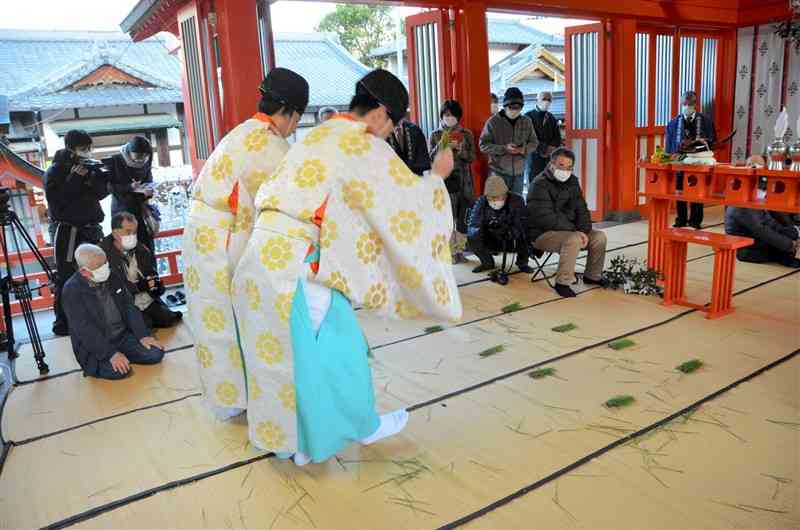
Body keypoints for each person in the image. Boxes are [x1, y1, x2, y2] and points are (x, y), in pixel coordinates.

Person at [231, 69, 462, 466]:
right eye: (395, 123)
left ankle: (299, 445)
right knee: (339, 351)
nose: (391, 132)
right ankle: (360, 426)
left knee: (284, 356)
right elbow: (405, 206)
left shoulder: (319, 134)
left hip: (261, 254)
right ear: (381, 114)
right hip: (298, 262)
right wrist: (437, 179)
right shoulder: (364, 143)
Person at [183, 67, 310, 418]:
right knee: (246, 317)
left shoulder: (240, 133)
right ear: (290, 113)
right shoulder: (272, 145)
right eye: (297, 119)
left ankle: (230, 398)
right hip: (226, 238)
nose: (295, 127)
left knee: (214, 322)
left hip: (198, 234)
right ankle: (253, 399)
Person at [62, 244, 164, 379]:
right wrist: (110, 353)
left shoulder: (112, 275)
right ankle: (116, 358)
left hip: (122, 336)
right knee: (120, 371)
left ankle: (123, 355)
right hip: (97, 344)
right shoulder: (72, 290)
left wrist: (142, 335)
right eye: (99, 267)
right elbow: (84, 329)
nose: (105, 269)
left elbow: (129, 307)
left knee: (155, 354)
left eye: (105, 263)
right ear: (84, 272)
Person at [45, 129, 108, 336]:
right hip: (68, 230)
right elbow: (57, 203)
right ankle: (63, 323)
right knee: (66, 277)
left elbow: (100, 194)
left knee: (99, 270)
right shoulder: (54, 171)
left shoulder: (89, 166)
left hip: (92, 227)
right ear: (71, 149)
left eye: (89, 148)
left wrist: (99, 176)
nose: (87, 152)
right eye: (83, 149)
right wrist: (74, 179)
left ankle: (101, 315)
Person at [527, 148, 608, 298]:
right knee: (574, 239)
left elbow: (581, 208)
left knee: (599, 237)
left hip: (569, 229)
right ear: (551, 164)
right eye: (561, 165)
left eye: (569, 167)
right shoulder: (539, 184)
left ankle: (592, 276)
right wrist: (575, 232)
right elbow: (546, 218)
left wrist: (584, 230)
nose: (565, 170)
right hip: (542, 233)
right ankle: (562, 283)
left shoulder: (572, 181)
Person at [101, 212, 183, 330]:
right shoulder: (102, 253)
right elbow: (106, 287)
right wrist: (138, 287)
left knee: (167, 319)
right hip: (119, 303)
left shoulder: (142, 249)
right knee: (142, 326)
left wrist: (157, 286)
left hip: (144, 300)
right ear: (115, 233)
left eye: (134, 232)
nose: (132, 236)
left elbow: (151, 274)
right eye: (128, 232)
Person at [429, 100, 476, 263]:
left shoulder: (467, 134)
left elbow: (472, 157)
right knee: (447, 217)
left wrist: (461, 150)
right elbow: (429, 159)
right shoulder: (435, 134)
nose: (450, 118)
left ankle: (460, 250)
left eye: (453, 115)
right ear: (442, 116)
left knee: (463, 216)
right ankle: (449, 251)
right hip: (445, 181)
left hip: (464, 181)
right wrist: (444, 145)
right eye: (447, 115)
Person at [665, 91, 716, 229]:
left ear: (695, 105)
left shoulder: (706, 122)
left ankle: (695, 220)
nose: (686, 106)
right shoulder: (673, 123)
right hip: (681, 162)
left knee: (697, 192)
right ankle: (681, 219)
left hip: (698, 163)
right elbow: (669, 147)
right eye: (684, 104)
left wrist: (702, 143)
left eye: (690, 104)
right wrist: (670, 158)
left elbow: (712, 143)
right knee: (679, 190)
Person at [106, 136, 158, 262]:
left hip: (141, 209)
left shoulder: (147, 160)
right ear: (129, 152)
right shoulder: (115, 160)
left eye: (144, 157)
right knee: (129, 246)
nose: (140, 160)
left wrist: (148, 192)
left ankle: (151, 277)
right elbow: (109, 187)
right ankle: (132, 278)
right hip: (123, 210)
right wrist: (129, 187)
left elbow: (148, 180)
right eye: (137, 157)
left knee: (147, 247)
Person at [467, 175, 532, 274]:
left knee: (527, 233)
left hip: (511, 237)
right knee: (472, 236)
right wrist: (484, 228)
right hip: (491, 236)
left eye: (497, 197)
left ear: (505, 194)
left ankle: (522, 263)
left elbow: (522, 223)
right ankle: (487, 262)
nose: (494, 200)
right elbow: (473, 224)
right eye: (490, 198)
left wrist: (510, 231)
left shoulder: (517, 200)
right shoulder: (481, 201)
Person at [479, 87, 538, 196]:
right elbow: (483, 145)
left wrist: (522, 149)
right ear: (505, 106)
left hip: (519, 174)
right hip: (498, 173)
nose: (515, 110)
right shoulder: (493, 122)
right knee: (497, 205)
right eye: (512, 107)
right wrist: (504, 148)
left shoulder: (526, 122)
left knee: (516, 206)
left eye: (518, 107)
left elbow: (534, 143)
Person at [725, 207, 800, 268]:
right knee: (789, 254)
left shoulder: (753, 201)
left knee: (792, 234)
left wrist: (790, 231)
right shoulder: (741, 208)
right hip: (749, 248)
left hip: (759, 238)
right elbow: (762, 231)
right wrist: (790, 245)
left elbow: (769, 221)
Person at [524, 91, 562, 182]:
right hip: (533, 157)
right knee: (534, 184)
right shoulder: (527, 117)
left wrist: (552, 148)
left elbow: (557, 137)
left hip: (549, 159)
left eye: (549, 100)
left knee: (549, 183)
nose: (546, 102)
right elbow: (526, 137)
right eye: (544, 99)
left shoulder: (551, 118)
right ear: (537, 100)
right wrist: (543, 148)